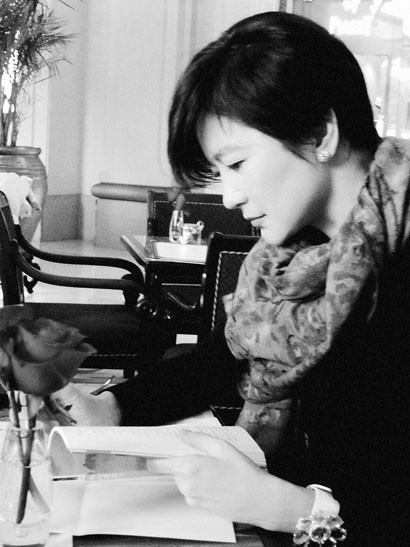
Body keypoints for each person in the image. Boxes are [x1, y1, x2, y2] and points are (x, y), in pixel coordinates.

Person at [52, 11, 410, 546]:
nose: (228, 196)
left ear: (321, 133)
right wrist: (114, 407)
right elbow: (230, 359)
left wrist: (289, 508)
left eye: (236, 164)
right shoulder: (289, 261)